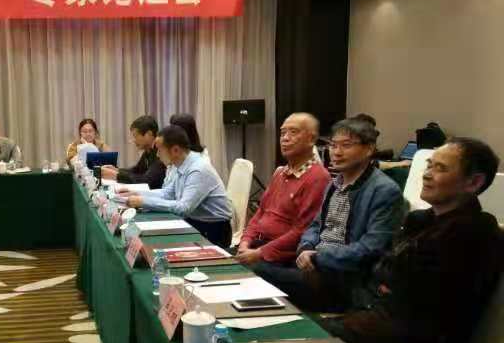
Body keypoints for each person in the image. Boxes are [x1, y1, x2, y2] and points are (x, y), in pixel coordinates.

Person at [320, 138, 502, 343]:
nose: (426, 174)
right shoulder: (421, 220)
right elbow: (384, 279)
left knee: (302, 340)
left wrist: (382, 285)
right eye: (429, 165)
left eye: (440, 168)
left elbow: (415, 308)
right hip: (375, 323)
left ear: (473, 182)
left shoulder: (475, 232)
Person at [256, 117, 403, 311]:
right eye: (333, 145)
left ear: (369, 149)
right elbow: (316, 225)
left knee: (258, 272)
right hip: (316, 265)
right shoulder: (335, 183)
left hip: (345, 279)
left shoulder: (384, 190)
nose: (336, 152)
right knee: (258, 265)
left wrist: (318, 257)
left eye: (346, 145)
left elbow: (370, 248)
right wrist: (306, 248)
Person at [237, 113, 331, 266]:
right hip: (257, 245)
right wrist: (244, 243)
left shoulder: (318, 177)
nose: (285, 138)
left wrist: (259, 253)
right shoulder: (281, 172)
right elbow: (260, 213)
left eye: (293, 132)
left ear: (311, 139)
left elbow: (301, 230)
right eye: (282, 133)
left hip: (281, 257)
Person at [126, 125, 233, 248]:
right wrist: (137, 194)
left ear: (175, 150)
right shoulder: (182, 163)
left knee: (157, 243)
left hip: (213, 230)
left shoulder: (197, 169)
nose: (157, 155)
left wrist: (144, 202)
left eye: (160, 150)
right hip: (195, 221)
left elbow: (183, 208)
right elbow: (168, 193)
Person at [101, 115, 166, 189]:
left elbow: (147, 181)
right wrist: (117, 170)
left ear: (148, 134)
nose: (133, 140)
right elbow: (136, 170)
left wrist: (116, 175)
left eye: (135, 136)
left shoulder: (160, 152)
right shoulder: (148, 151)